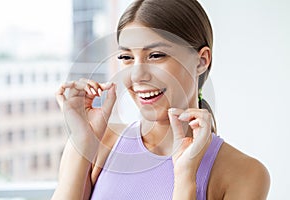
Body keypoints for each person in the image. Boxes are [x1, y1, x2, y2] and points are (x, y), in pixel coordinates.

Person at [52, 0, 270, 199]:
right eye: (126, 58)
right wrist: (81, 143)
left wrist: (185, 177)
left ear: (202, 61)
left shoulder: (245, 174)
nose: (137, 75)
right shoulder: (99, 143)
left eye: (156, 55)